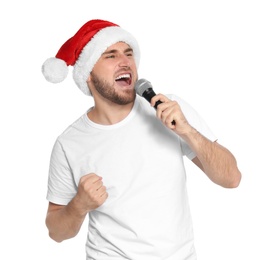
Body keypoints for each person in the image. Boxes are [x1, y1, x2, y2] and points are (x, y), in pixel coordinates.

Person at [42, 19, 242, 260]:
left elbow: (231, 178)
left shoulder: (168, 110)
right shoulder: (69, 143)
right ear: (88, 75)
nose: (126, 61)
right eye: (110, 55)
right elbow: (56, 232)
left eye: (128, 53)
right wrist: (79, 205)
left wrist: (187, 131)